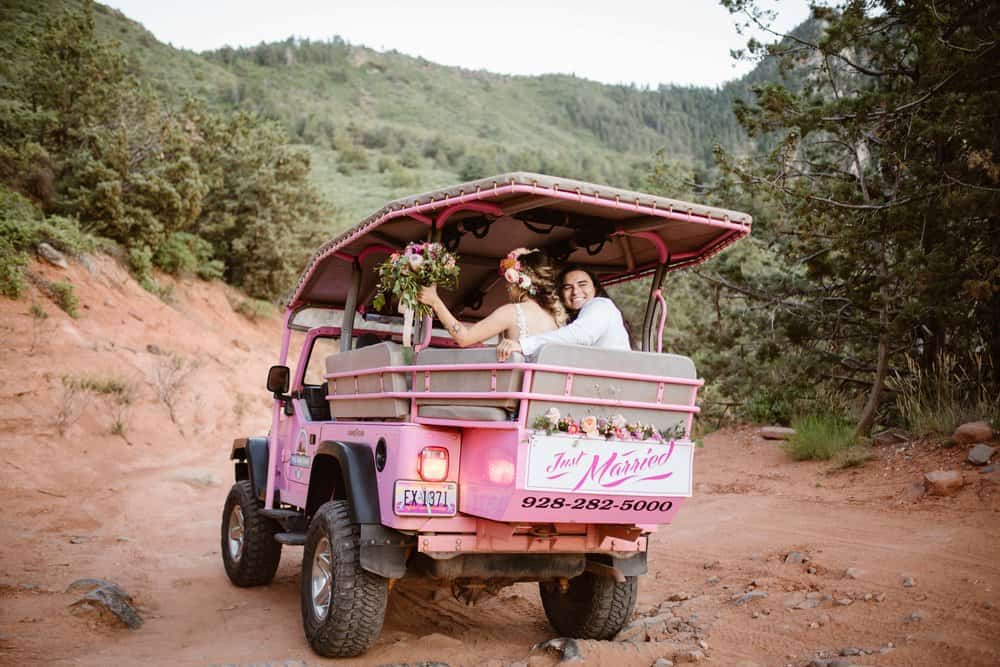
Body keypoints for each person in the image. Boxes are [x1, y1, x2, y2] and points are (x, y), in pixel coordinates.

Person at [417, 248, 567, 349]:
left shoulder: (512, 313)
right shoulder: (555, 317)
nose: (507, 287)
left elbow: (464, 338)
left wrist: (435, 301)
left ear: (518, 281)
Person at [496, 265, 630, 361]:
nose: (576, 291)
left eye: (582, 284)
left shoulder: (600, 305)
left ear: (595, 288)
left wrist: (523, 345)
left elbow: (580, 335)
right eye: (568, 287)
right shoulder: (566, 321)